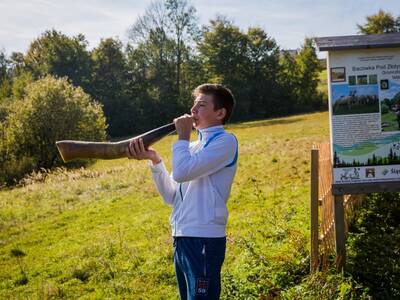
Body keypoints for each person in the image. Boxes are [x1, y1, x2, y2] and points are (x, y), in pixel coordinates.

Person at [127, 83, 238, 299]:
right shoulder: (193, 148)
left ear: (220, 113)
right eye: (194, 105)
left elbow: (181, 172)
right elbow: (171, 196)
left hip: (204, 239)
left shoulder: (225, 142)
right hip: (182, 237)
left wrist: (183, 137)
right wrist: (155, 160)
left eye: (202, 105)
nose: (193, 111)